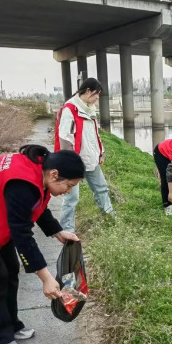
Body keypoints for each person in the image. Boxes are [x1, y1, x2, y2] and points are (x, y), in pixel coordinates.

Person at [0, 144, 85, 344]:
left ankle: (12, 324)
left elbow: (37, 206)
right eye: (69, 185)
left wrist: (57, 231)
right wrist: (46, 278)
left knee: (11, 271)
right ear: (54, 174)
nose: (68, 191)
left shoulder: (40, 171)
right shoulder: (22, 182)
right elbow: (22, 234)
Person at [55, 77, 113, 232]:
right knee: (71, 197)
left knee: (102, 189)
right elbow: (65, 139)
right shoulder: (70, 110)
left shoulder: (90, 109)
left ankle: (110, 218)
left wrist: (100, 153)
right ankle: (67, 231)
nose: (97, 97)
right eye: (96, 94)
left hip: (91, 158)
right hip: (74, 162)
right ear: (88, 91)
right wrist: (70, 163)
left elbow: (94, 134)